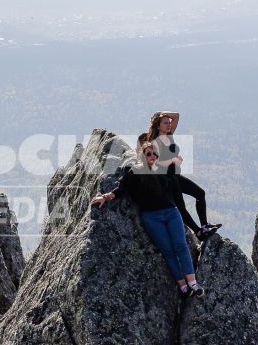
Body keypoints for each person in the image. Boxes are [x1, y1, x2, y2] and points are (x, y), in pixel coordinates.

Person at [91, 138, 202, 296]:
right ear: (142, 155)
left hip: (171, 213)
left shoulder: (163, 169)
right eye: (148, 153)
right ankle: (183, 286)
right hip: (151, 217)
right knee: (168, 251)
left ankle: (193, 284)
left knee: (180, 246)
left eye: (155, 154)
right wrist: (105, 197)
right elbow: (121, 189)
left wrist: (175, 162)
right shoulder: (135, 172)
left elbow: (175, 173)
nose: (152, 156)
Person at [144, 110, 218, 238]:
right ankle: (198, 232)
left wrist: (160, 113)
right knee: (181, 207)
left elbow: (177, 116)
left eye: (169, 122)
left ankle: (204, 226)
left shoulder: (169, 135)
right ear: (158, 126)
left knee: (200, 193)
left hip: (175, 176)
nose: (169, 124)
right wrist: (173, 160)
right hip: (166, 179)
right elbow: (156, 164)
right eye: (165, 123)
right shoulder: (154, 142)